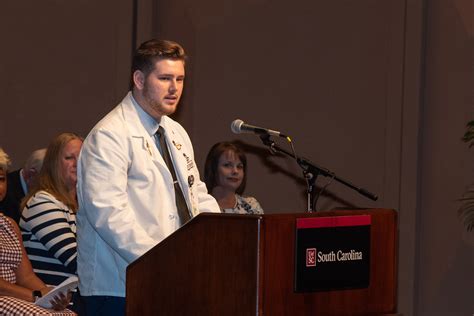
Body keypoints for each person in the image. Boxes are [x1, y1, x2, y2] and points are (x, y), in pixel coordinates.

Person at [77, 38, 220, 315]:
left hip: (169, 278)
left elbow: (196, 195)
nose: (174, 88)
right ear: (139, 79)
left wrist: (218, 238)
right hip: (118, 286)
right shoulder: (109, 134)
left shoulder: (176, 132)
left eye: (180, 79)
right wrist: (163, 259)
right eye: (165, 78)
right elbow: (108, 214)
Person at [0, 147, 74, 315]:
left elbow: (25, 277)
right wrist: (34, 295)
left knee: (68, 313)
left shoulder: (9, 224)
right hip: (6, 298)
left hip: (15, 297)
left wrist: (49, 294)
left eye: (1, 179)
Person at [20, 133, 81, 287]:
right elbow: (76, 261)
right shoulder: (43, 202)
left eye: (82, 157)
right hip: (53, 302)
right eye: (69, 158)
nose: (77, 163)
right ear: (53, 164)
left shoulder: (80, 205)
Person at [204, 141, 264, 214]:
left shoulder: (252, 206)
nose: (235, 171)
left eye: (239, 167)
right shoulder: (201, 206)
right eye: (227, 165)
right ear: (213, 169)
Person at [0, 148, 46, 223]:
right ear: (32, 174)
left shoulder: (10, 224)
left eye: (2, 179)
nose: (55, 186)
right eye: (50, 179)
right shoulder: (8, 194)